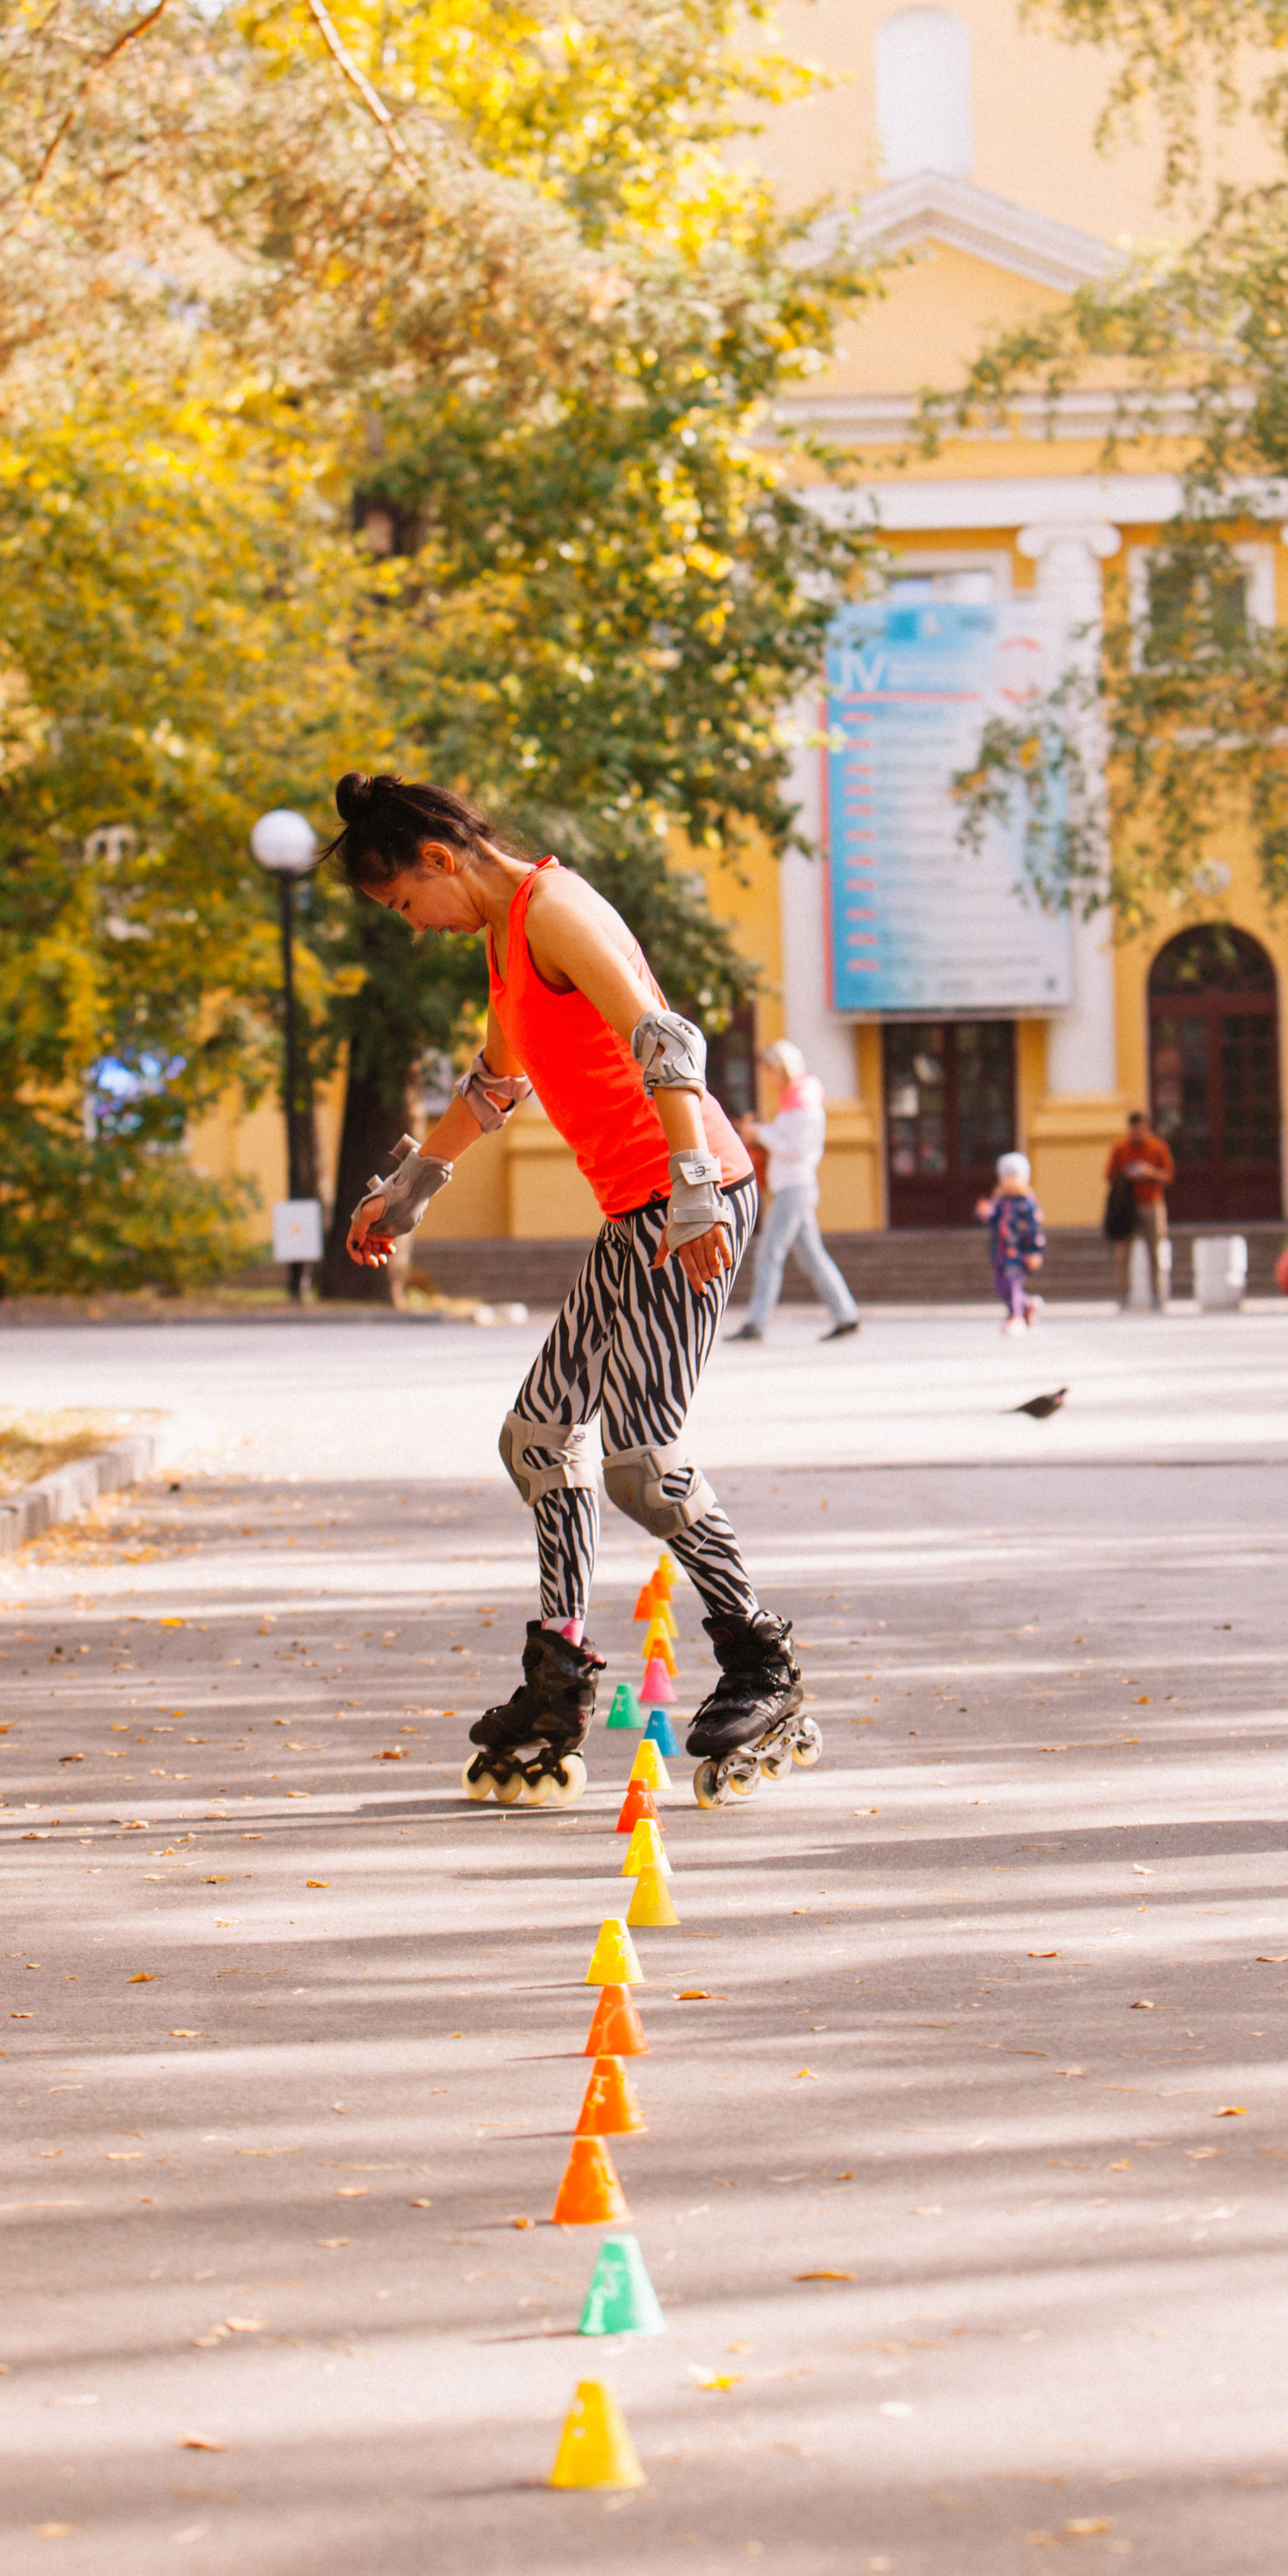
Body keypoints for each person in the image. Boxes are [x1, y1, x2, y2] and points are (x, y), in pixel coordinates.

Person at [333, 771, 807, 1807]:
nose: (415, 925)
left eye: (406, 905)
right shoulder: (507, 942)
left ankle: (760, 1660)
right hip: (634, 1217)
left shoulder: (554, 908)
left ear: (438, 860)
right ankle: (558, 1679)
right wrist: (409, 1188)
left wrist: (688, 1190)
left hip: (691, 1206)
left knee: (644, 1464)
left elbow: (664, 1034)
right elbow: (494, 1087)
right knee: (540, 1440)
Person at [728, 1037, 860, 1345]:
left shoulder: (803, 1100)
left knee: (769, 1254)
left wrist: (760, 1132)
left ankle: (756, 1323)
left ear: (781, 1069)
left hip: (794, 1188)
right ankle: (846, 1315)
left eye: (769, 1073)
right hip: (792, 1187)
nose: (767, 1080)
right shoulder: (793, 1098)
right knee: (813, 1258)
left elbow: (796, 1148)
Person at [1105, 1107, 1174, 1310]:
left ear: (1147, 1127)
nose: (1137, 1133)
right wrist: (1127, 1174)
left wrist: (1150, 1172)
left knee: (1155, 1250)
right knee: (1123, 1253)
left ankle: (1156, 1293)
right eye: (1134, 1129)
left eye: (1140, 1129)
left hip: (1151, 1204)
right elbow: (1110, 1175)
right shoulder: (1120, 1148)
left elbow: (1168, 1176)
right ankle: (1123, 1294)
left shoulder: (1157, 1147)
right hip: (1127, 1206)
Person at [975, 1150, 1044, 1335]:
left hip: (1019, 1254)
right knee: (1001, 1286)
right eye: (1007, 1176)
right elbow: (990, 1219)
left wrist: (1035, 1251)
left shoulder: (1027, 1204)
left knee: (1012, 1284)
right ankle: (1027, 1305)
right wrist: (983, 1212)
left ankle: (1016, 1316)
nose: (1010, 1181)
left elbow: (1034, 1230)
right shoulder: (1000, 1202)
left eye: (1014, 1176)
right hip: (1000, 1252)